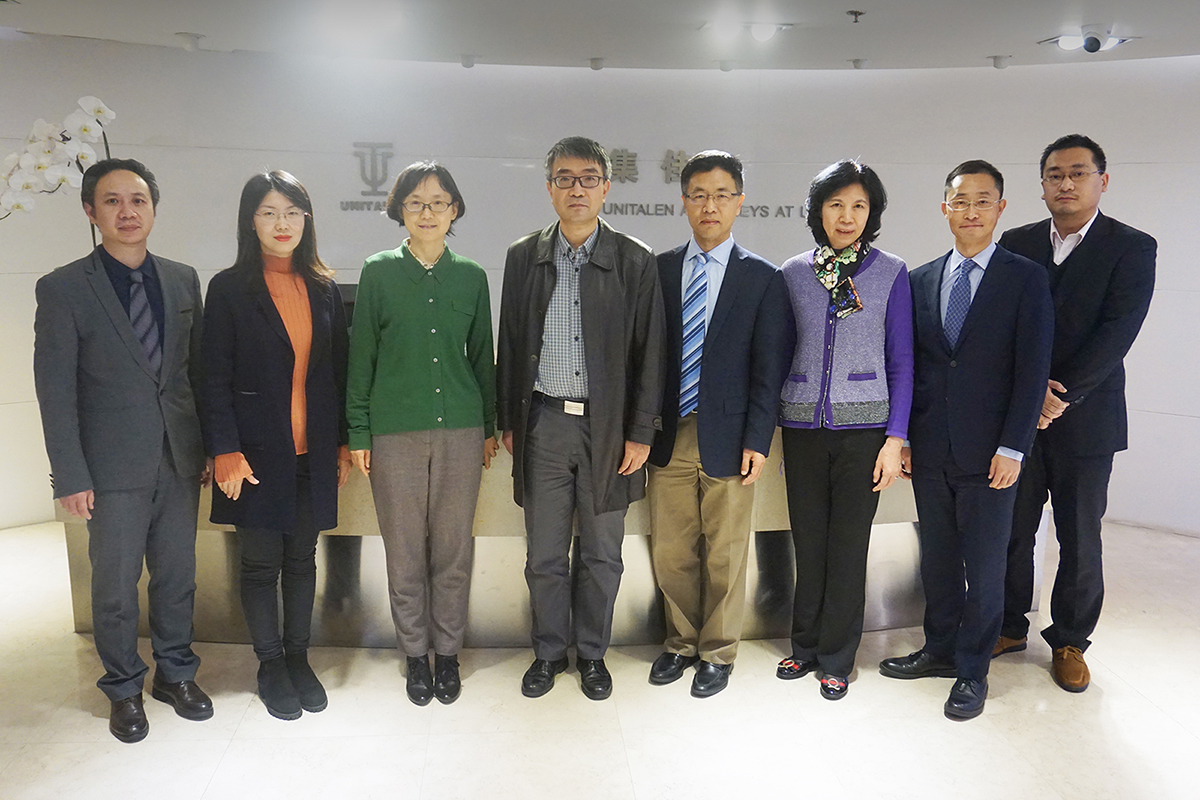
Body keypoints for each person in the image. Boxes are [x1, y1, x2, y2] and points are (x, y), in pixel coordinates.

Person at [33, 158, 214, 743]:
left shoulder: (182, 279)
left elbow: (195, 373)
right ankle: (123, 687)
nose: (127, 211)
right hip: (108, 467)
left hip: (178, 458)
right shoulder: (63, 288)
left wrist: (208, 448)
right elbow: (55, 389)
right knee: (114, 586)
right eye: (112, 201)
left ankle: (176, 673)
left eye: (138, 200)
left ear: (154, 209)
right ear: (91, 212)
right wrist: (69, 474)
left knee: (177, 576)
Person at [879, 160, 1052, 721]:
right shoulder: (920, 279)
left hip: (992, 454)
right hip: (931, 449)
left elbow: (1032, 370)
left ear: (1000, 208)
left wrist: (1014, 446)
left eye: (982, 201)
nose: (970, 211)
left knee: (985, 565)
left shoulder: (1025, 278)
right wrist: (905, 436)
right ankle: (939, 650)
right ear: (944, 208)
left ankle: (973, 670)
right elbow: (912, 367)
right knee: (939, 559)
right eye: (960, 201)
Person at [496, 136, 666, 701]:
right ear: (549, 188)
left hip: (608, 430)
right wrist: (508, 420)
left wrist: (640, 432)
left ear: (606, 187)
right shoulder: (524, 256)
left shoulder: (634, 260)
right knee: (544, 554)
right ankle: (548, 653)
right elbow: (510, 342)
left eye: (588, 178)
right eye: (564, 178)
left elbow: (650, 353)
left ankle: (592, 654)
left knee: (601, 553)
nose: (577, 189)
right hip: (543, 424)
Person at [995, 135, 1156, 692]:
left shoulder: (1131, 247)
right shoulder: (1015, 243)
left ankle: (1069, 640)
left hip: (1088, 420)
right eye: (1055, 175)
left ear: (1101, 181)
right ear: (1041, 186)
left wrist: (1059, 395)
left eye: (1078, 173)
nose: (1066, 183)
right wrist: (1030, 393)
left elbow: (1119, 331)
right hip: (1019, 419)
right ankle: (1008, 625)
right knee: (1012, 529)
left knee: (1080, 536)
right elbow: (1003, 325)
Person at [202, 170, 351, 720]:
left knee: (302, 558)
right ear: (251, 221)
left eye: (291, 212)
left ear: (306, 219)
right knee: (261, 564)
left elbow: (336, 373)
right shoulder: (228, 288)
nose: (281, 223)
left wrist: (340, 444)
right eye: (268, 212)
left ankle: (298, 658)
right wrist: (224, 449)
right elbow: (212, 376)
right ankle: (270, 664)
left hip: (312, 451)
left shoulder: (324, 287)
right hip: (254, 454)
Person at [346, 161, 496, 707]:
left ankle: (448, 653)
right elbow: (361, 357)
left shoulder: (472, 276)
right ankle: (415, 654)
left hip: (461, 429)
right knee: (404, 550)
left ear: (454, 210)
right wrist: (359, 430)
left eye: (438, 202)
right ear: (400, 210)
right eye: (415, 202)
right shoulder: (378, 272)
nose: (427, 212)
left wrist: (489, 427)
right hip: (394, 431)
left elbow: (483, 358)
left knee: (453, 550)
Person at [646, 150, 792, 698]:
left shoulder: (763, 278)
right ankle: (680, 642)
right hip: (669, 432)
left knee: (727, 550)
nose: (710, 205)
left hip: (731, 436)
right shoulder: (658, 270)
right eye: (699, 195)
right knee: (672, 550)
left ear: (739, 202)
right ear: (684, 201)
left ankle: (718, 651)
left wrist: (758, 439)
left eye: (722, 195)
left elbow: (768, 367)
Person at [776, 160, 913, 700]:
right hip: (802, 428)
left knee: (848, 548)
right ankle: (805, 645)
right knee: (809, 544)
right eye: (836, 204)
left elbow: (902, 360)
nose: (847, 216)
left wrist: (896, 439)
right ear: (819, 211)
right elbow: (779, 350)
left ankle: (837, 657)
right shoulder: (793, 272)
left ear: (871, 212)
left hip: (866, 434)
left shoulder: (891, 272)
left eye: (859, 205)